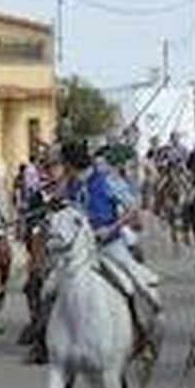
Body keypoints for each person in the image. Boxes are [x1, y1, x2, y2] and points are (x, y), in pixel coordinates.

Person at [64, 138, 160, 354]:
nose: (63, 169)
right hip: (80, 248)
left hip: (108, 244)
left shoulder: (107, 180)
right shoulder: (71, 185)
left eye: (64, 165)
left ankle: (142, 335)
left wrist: (112, 228)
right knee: (50, 286)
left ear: (71, 164)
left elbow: (133, 209)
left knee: (130, 284)